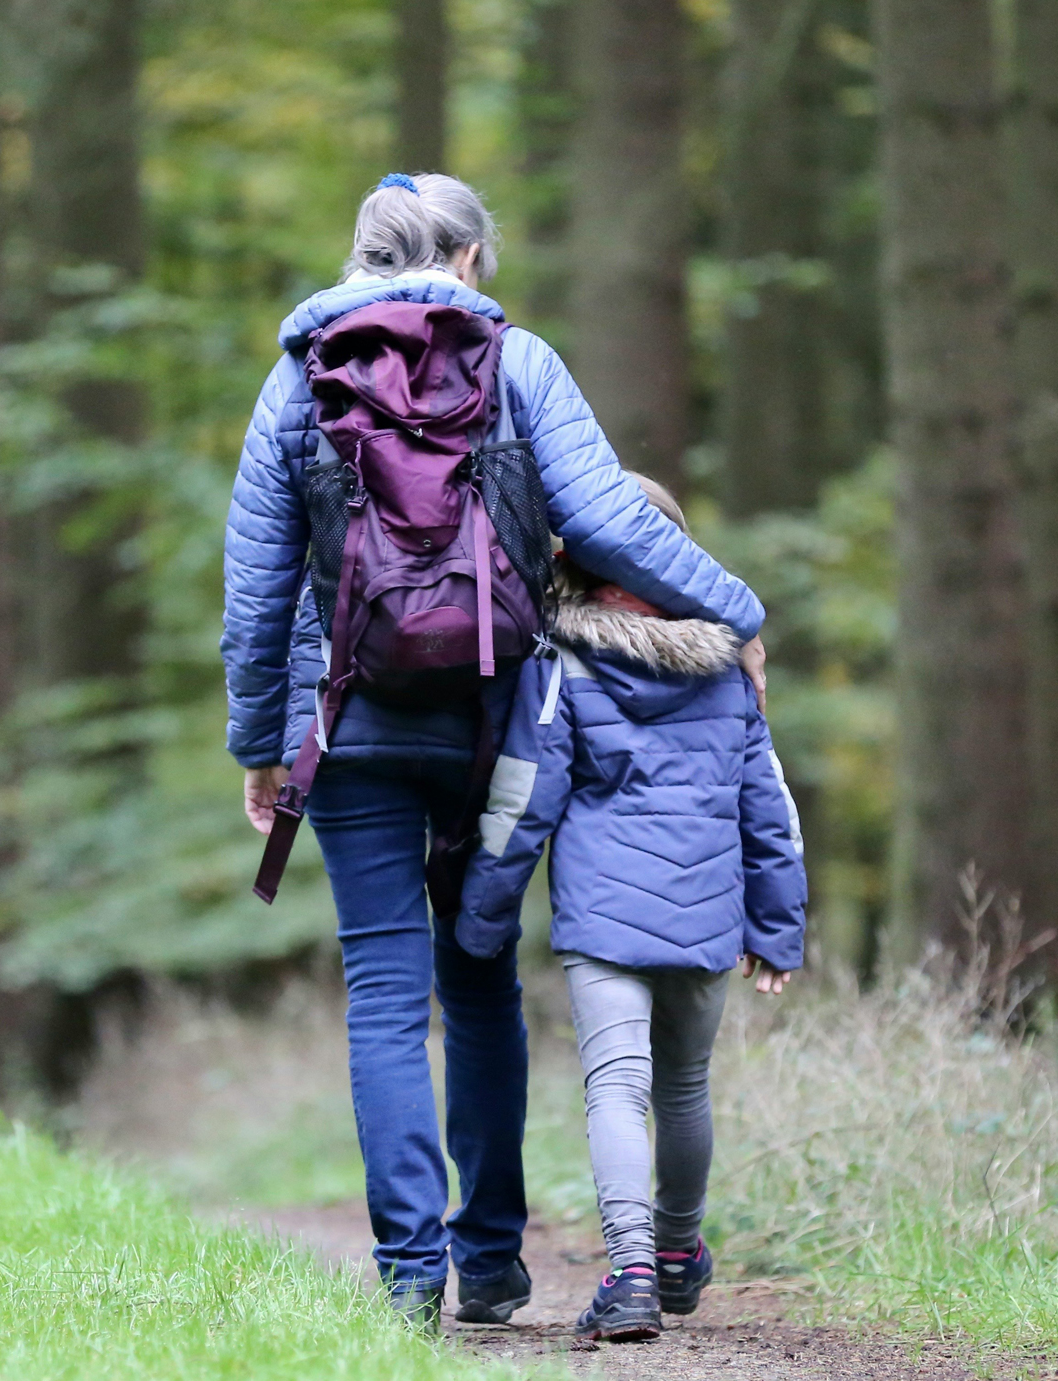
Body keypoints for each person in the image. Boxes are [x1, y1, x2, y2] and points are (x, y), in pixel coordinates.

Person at [222, 172, 769, 1329]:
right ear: (468, 257)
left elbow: (256, 587)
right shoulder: (519, 364)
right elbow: (612, 520)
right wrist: (737, 611)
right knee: (477, 979)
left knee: (381, 989)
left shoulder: (295, 379)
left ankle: (410, 1273)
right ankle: (493, 1261)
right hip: (496, 721)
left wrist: (260, 745)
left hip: (350, 720)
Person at [454, 474, 807, 1342]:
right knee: (684, 1086)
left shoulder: (562, 662)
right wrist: (777, 925)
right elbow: (770, 808)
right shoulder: (729, 667)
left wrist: (482, 916)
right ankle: (681, 1252)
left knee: (616, 1088)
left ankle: (633, 1273)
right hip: (706, 911)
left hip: (605, 921)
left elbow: (522, 797)